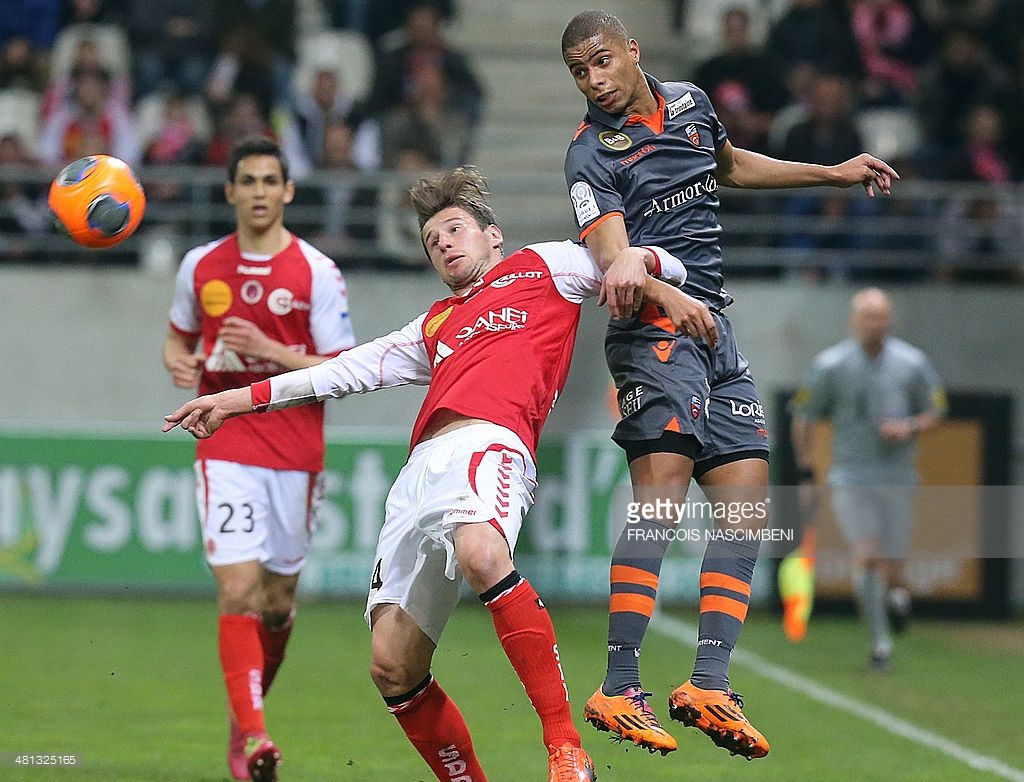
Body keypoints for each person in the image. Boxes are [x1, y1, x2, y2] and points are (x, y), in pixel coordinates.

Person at [163, 165, 693, 781]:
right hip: (417, 476)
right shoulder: (433, 324)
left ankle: (565, 747)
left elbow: (647, 260)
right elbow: (340, 371)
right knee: (392, 664)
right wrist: (233, 400)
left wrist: (657, 276)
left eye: (454, 228)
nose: (443, 242)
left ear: (494, 236)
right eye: (431, 240)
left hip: (490, 444)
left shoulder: (545, 266)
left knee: (482, 553)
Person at [560, 9, 899, 758]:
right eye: (580, 71)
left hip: (715, 329)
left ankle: (709, 682)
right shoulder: (590, 153)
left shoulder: (690, 104)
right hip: (655, 333)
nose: (594, 79)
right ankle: (619, 686)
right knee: (662, 500)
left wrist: (833, 169)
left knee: (746, 505)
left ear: (631, 51)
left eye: (601, 61)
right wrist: (665, 293)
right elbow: (617, 260)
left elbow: (730, 165)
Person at [162, 135, 356, 782]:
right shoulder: (200, 266)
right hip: (225, 439)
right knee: (238, 590)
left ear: (288, 191)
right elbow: (178, 339)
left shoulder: (316, 272)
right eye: (247, 181)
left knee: (275, 602)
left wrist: (272, 352)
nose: (259, 192)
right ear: (230, 192)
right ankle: (253, 738)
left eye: (270, 181)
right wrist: (180, 363)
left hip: (295, 448)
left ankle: (245, 720)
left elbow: (342, 369)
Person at [790, 288, 946, 669]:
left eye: (880, 316)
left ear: (889, 320)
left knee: (894, 566)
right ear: (853, 321)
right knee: (868, 554)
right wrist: (807, 468)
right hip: (850, 475)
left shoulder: (911, 363)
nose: (873, 324)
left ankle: (897, 598)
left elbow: (937, 408)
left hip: (897, 476)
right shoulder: (831, 364)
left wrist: (909, 426)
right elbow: (804, 414)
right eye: (866, 316)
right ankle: (880, 645)